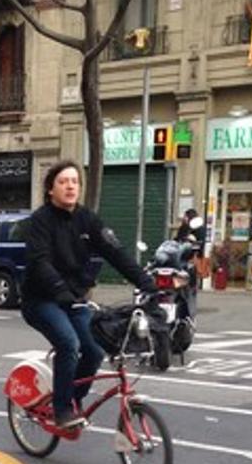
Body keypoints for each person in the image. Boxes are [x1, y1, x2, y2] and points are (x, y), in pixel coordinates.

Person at [23, 160, 157, 429]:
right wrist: (59, 289)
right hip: (42, 300)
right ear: (51, 189)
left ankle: (72, 399)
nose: (70, 186)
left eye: (74, 181)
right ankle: (61, 411)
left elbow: (115, 252)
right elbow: (39, 262)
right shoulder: (39, 221)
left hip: (74, 300)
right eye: (63, 181)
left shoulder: (88, 220)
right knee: (69, 344)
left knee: (95, 351)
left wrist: (147, 282)